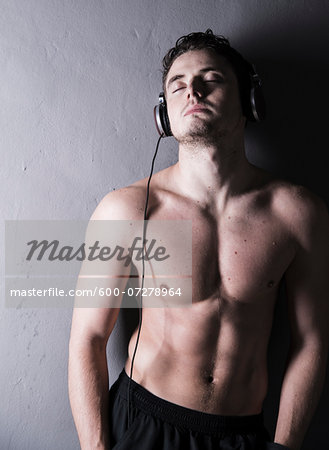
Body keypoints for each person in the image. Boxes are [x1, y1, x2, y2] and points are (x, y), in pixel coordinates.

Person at [68, 30, 329, 450]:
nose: (192, 90)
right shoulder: (128, 209)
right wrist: (95, 447)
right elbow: (88, 338)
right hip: (143, 423)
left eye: (211, 79)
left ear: (249, 101)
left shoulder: (299, 214)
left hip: (241, 434)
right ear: (164, 114)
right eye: (178, 84)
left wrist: (287, 445)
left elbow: (312, 340)